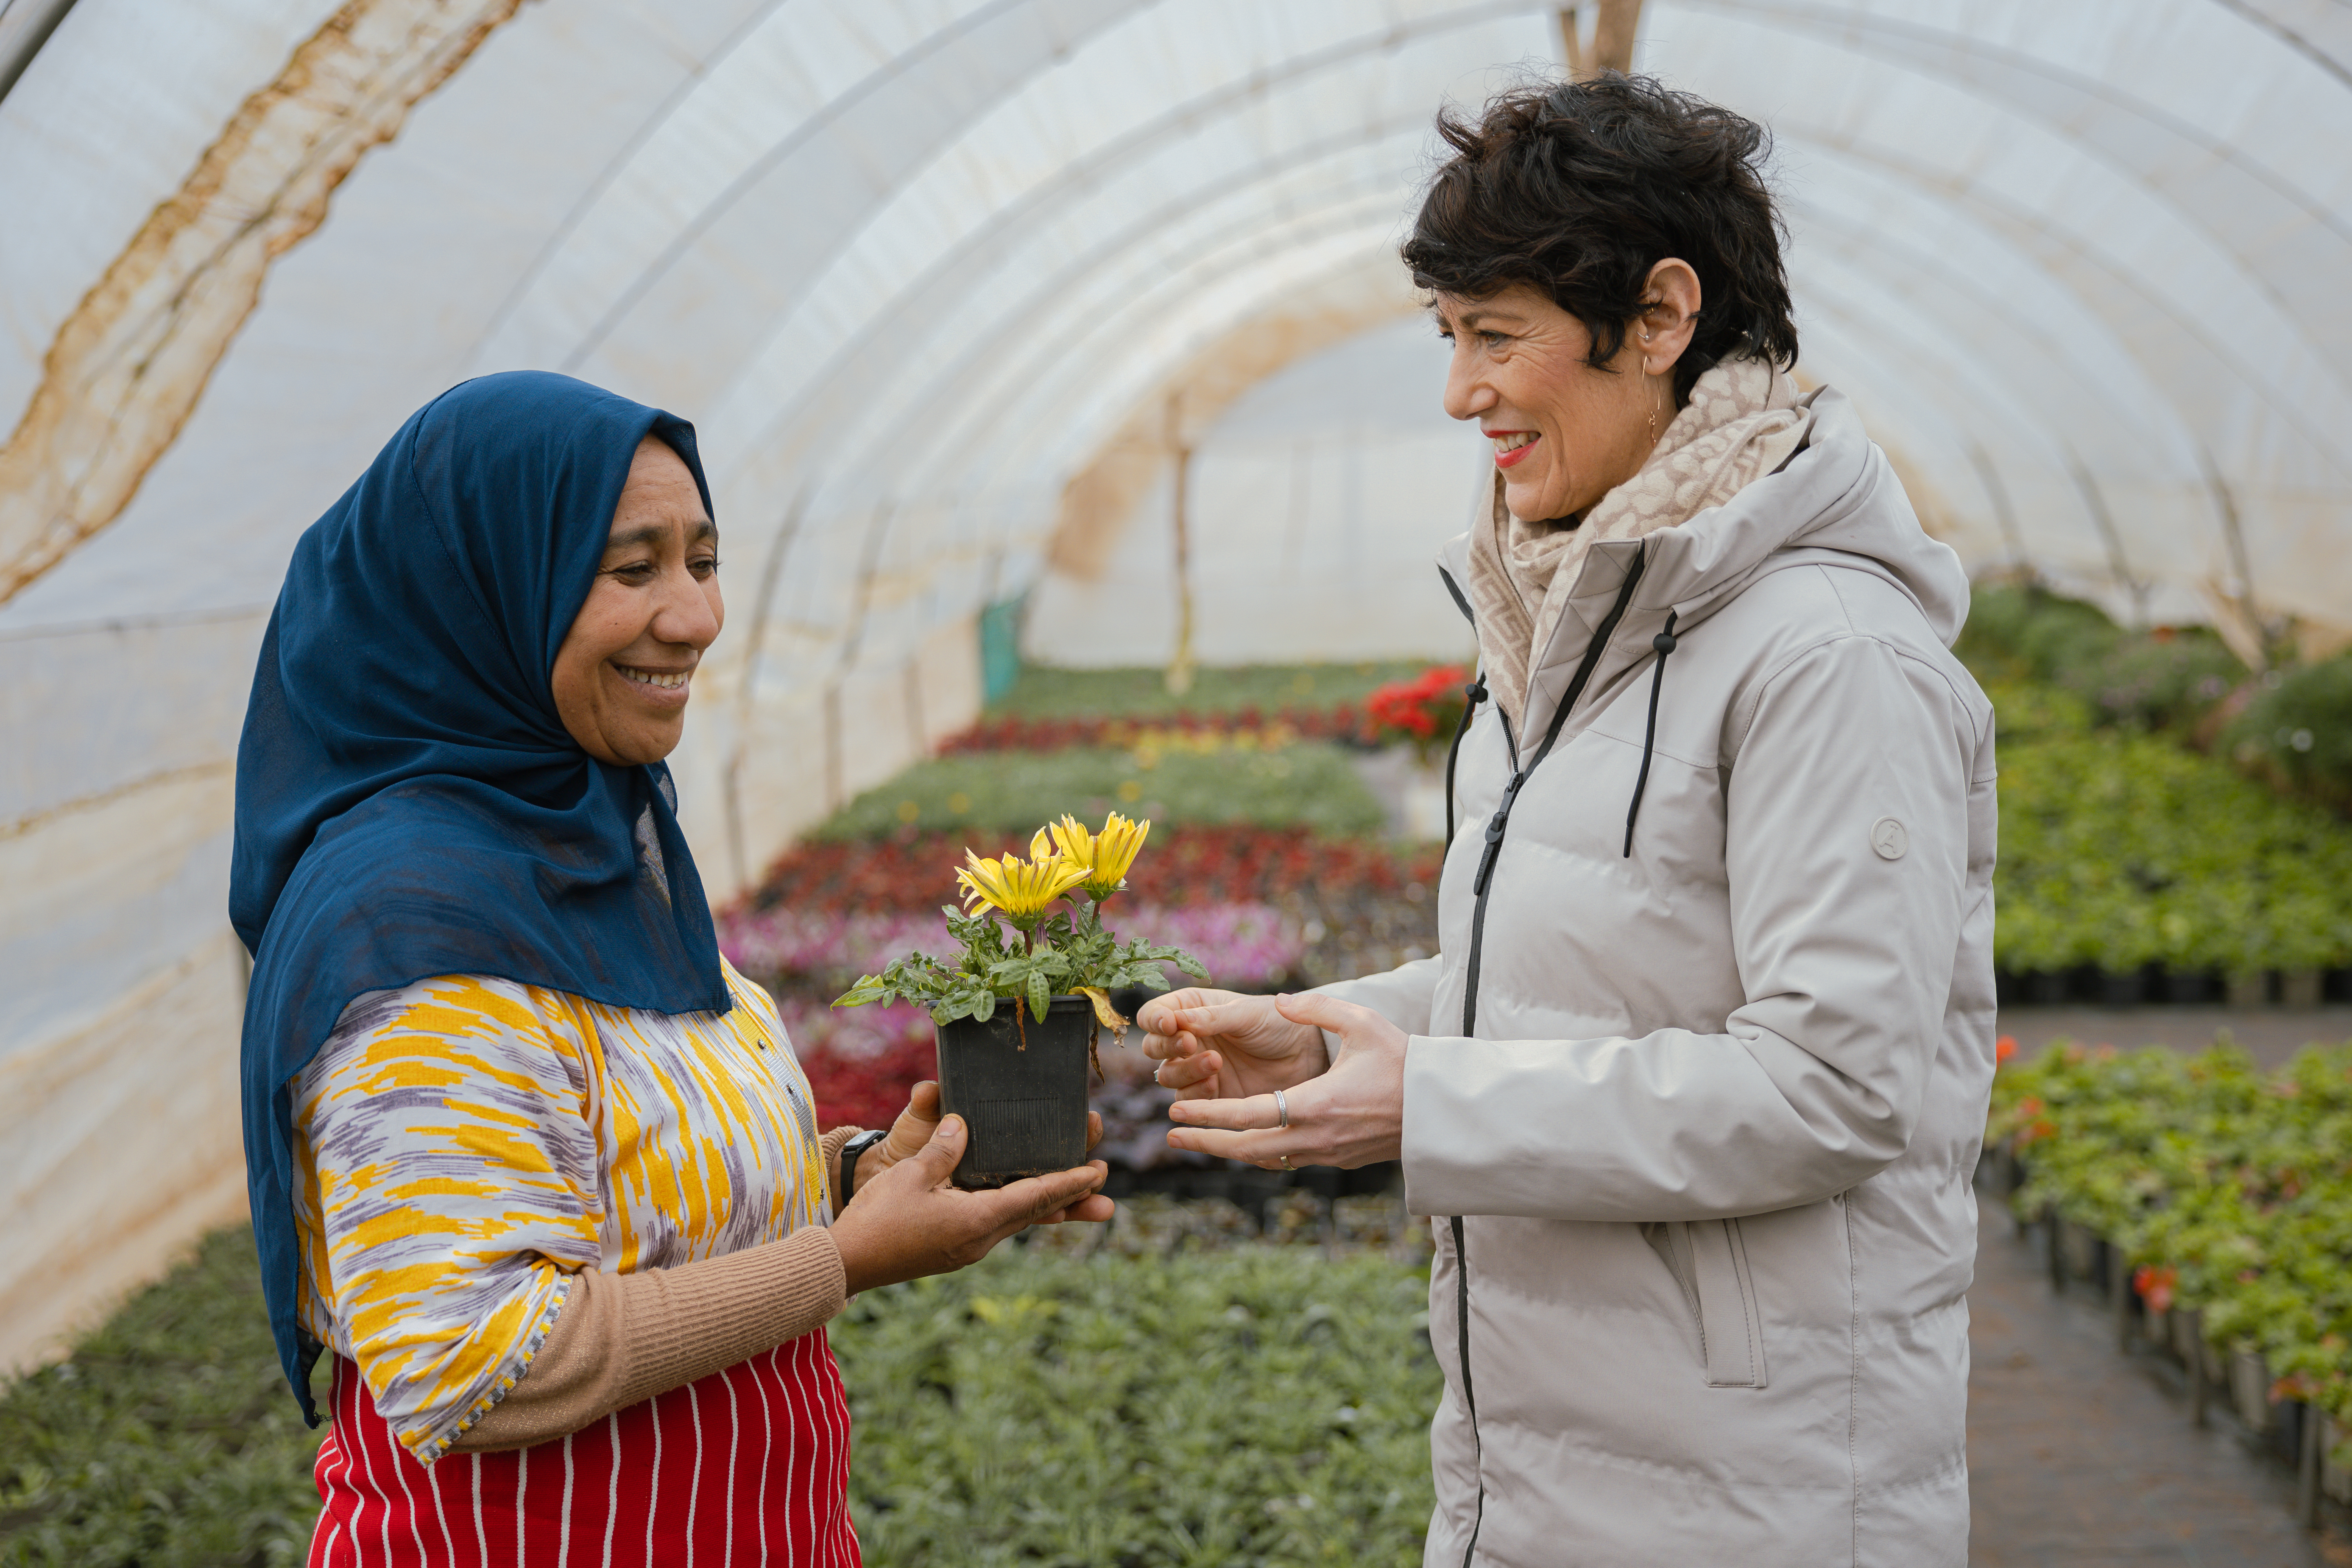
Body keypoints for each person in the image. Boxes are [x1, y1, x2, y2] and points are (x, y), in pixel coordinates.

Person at [1142, 75, 1995, 1567]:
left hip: (1753, 1484)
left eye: (1497, 334)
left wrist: (1428, 1105)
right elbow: (1599, 965)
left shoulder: (1826, 655)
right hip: (1550, 1451)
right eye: (1447, 336)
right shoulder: (1581, 611)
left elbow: (1834, 1085)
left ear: (1662, 316)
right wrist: (1337, 1026)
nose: (1461, 392)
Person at [232, 371, 1112, 1566]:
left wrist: (861, 1179)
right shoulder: (415, 922)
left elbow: (626, 1187)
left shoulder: (592, 840)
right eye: (630, 567)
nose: (696, 614)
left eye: (703, 559)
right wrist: (842, 1259)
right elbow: (474, 1357)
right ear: (485, 586)